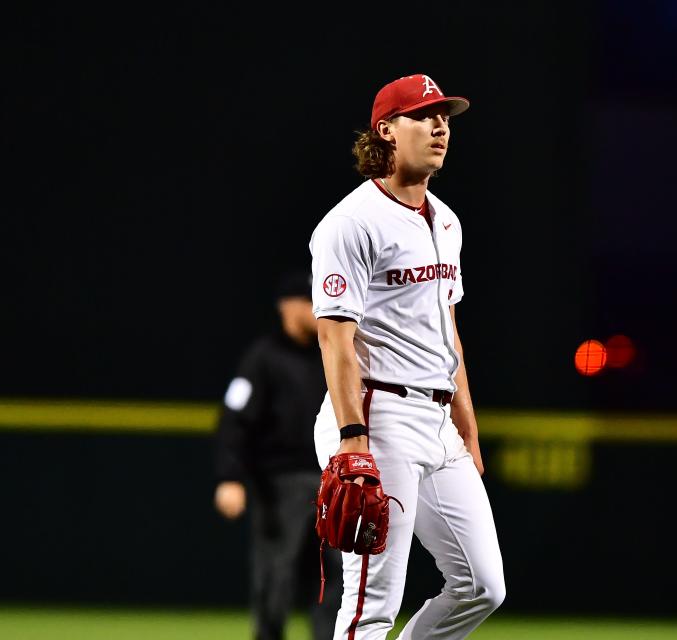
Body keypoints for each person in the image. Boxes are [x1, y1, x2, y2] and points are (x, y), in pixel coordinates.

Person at [308, 73, 506, 639]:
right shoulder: (350, 222)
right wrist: (352, 439)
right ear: (387, 130)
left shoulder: (446, 220)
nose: (440, 126)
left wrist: (467, 427)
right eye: (424, 115)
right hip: (378, 415)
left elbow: (447, 328)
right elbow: (335, 338)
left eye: (444, 116)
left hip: (439, 420)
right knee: (372, 605)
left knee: (481, 585)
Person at [213, 270, 342, 640]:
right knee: (275, 579)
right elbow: (234, 421)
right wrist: (229, 477)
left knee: (336, 580)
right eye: (308, 301)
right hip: (280, 485)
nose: (317, 308)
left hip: (332, 483)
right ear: (287, 306)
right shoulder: (263, 358)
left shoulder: (332, 355)